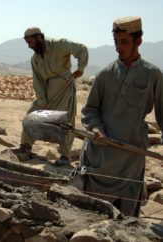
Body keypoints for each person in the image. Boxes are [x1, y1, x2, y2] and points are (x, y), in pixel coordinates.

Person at [79, 16, 163, 217]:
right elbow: (90, 110)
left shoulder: (153, 75)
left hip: (130, 159)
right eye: (116, 41)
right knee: (90, 216)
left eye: (124, 42)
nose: (118, 47)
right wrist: (96, 128)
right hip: (99, 158)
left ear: (138, 41)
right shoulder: (105, 74)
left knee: (126, 222)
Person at [17, 26, 88, 166]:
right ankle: (25, 146)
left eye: (31, 42)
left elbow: (82, 49)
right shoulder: (35, 59)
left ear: (39, 38)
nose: (30, 46)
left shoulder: (59, 44)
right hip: (45, 90)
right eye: (27, 43)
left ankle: (64, 155)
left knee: (64, 121)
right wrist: (42, 100)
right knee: (32, 113)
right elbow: (37, 81)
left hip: (64, 86)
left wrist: (81, 68)